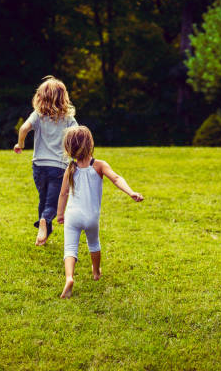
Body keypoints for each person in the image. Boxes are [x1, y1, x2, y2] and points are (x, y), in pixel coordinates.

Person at [56, 126, 144, 299]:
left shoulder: (70, 168)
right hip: (91, 217)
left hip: (72, 216)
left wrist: (60, 214)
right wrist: (131, 192)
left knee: (70, 248)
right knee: (94, 244)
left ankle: (69, 278)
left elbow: (63, 193)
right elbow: (116, 178)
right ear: (90, 144)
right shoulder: (99, 165)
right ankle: (96, 271)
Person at [14, 76, 78, 246]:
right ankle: (44, 222)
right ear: (63, 97)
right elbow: (77, 135)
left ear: (41, 96)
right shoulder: (68, 119)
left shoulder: (38, 115)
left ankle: (43, 233)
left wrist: (20, 144)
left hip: (39, 166)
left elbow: (23, 128)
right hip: (59, 167)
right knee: (53, 202)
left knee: (44, 199)